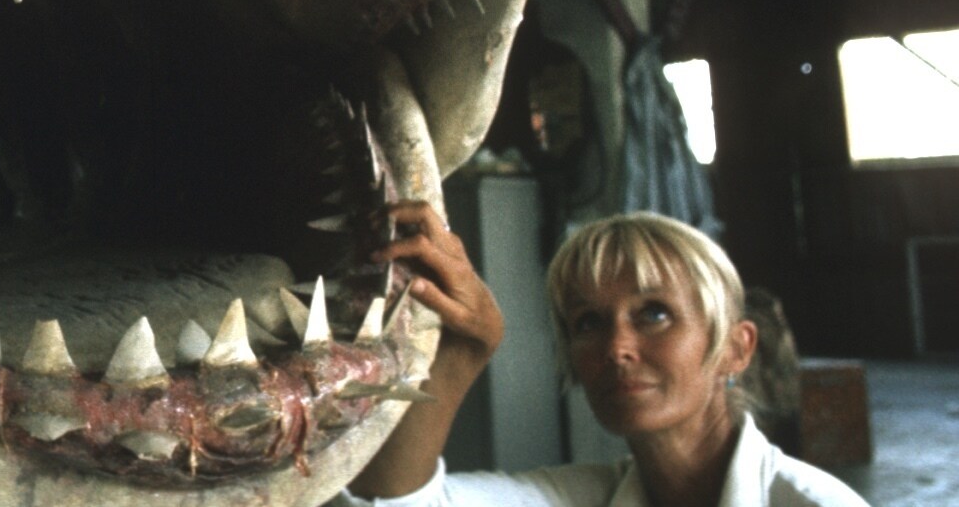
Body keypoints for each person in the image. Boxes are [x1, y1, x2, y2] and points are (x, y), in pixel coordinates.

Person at [335, 205, 867, 507]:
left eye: (654, 313)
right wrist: (459, 357)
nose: (616, 349)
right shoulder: (585, 497)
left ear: (735, 348)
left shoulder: (813, 504)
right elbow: (397, 503)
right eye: (588, 322)